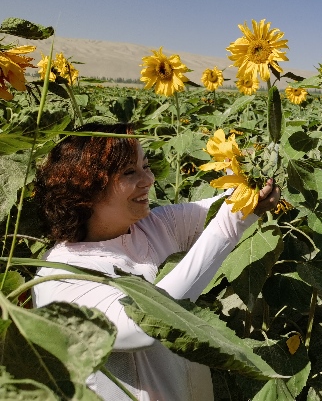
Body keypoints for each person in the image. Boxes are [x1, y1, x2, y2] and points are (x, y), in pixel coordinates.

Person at [32, 123, 280, 401]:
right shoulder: (62, 275)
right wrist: (231, 223)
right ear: (87, 187)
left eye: (146, 166)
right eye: (129, 172)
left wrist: (249, 180)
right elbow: (142, 326)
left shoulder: (155, 225)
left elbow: (221, 207)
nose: (148, 179)